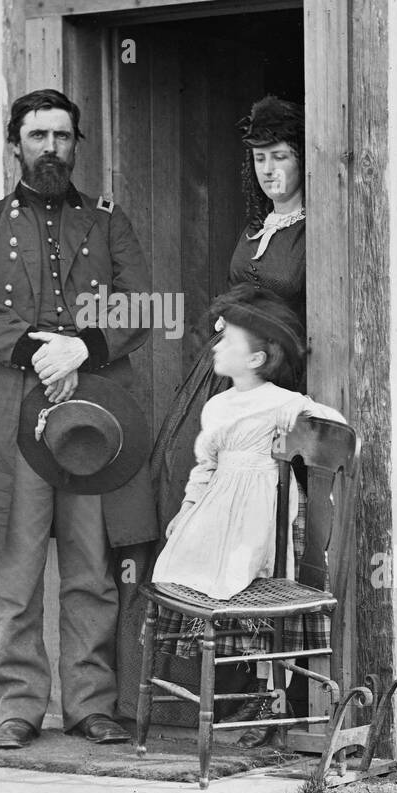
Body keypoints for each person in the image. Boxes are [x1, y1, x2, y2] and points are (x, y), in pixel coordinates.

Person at [0, 88, 157, 750]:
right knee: (14, 568)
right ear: (15, 144)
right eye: (37, 136)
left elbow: (142, 304)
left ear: (75, 145)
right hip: (13, 414)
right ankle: (17, 708)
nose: (50, 150)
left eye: (62, 137)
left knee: (92, 567)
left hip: (93, 412)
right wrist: (42, 351)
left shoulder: (106, 221)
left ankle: (93, 703)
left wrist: (84, 348)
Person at [134, 95, 331, 737]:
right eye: (260, 161)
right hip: (232, 375)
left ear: (303, 159)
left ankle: (265, 689)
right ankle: (204, 685)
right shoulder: (254, 232)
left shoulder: (315, 229)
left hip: (279, 376)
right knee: (189, 482)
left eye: (280, 158)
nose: (270, 172)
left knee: (264, 526)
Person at [147, 286, 346, 718]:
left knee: (250, 569)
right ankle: (242, 686)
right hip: (221, 504)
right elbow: (205, 466)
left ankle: (269, 693)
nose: (217, 346)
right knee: (183, 561)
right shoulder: (217, 406)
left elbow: (335, 430)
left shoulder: (284, 403)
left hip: (263, 504)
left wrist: (309, 441)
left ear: (256, 359)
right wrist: (187, 509)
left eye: (229, 342)